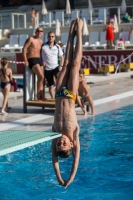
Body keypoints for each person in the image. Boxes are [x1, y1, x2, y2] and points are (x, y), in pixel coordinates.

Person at [52, 18, 83, 188]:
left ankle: (71, 32)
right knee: (75, 65)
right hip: (70, 94)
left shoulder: (55, 133)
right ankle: (79, 32)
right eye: (64, 145)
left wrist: (58, 177)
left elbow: (54, 160)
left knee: (65, 64)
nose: (60, 142)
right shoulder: (75, 136)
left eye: (59, 145)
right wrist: (69, 179)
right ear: (71, 144)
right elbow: (76, 161)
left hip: (58, 94)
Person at [22, 27, 46, 101]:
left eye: (41, 31)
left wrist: (43, 61)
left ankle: (42, 95)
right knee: (41, 76)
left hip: (39, 59)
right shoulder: (31, 39)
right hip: (32, 59)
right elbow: (24, 49)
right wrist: (25, 60)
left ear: (42, 33)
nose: (39, 32)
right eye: (38, 31)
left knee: (42, 78)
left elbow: (42, 52)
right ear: (35, 32)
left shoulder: (41, 41)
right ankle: (38, 95)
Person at [41, 32, 64, 99]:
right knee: (51, 85)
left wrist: (61, 66)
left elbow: (61, 57)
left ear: (54, 37)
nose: (50, 38)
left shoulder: (57, 46)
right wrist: (42, 62)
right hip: (47, 68)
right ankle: (54, 99)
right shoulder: (43, 46)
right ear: (47, 37)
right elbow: (39, 55)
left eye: (52, 36)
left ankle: (61, 97)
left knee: (60, 81)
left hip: (55, 67)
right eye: (49, 36)